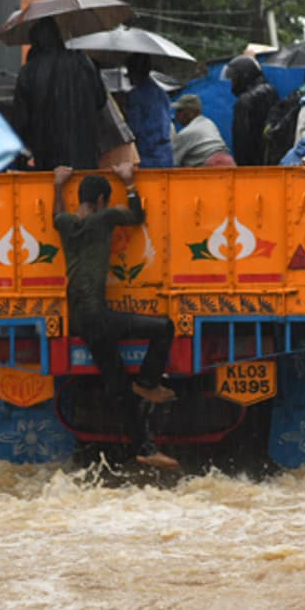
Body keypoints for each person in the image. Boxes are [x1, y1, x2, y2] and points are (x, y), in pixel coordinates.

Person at [53, 163, 180, 469]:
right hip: (98, 317)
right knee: (164, 327)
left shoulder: (67, 224)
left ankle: (144, 448)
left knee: (119, 386)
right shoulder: (104, 219)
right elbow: (137, 216)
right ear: (100, 202)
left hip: (80, 321)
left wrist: (58, 185)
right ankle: (149, 381)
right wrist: (129, 181)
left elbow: (56, 215)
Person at [12, 17, 107, 170]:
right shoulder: (83, 62)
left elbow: (20, 120)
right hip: (85, 153)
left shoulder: (28, 72)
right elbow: (101, 100)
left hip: (47, 160)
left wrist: (23, 155)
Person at [225, 55, 280, 166]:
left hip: (252, 168)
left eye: (234, 79)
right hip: (272, 162)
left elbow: (241, 142)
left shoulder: (245, 101)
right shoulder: (271, 91)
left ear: (244, 76)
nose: (232, 83)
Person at [124, 53, 174, 168]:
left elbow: (133, 129)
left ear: (135, 72)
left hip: (146, 155)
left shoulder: (135, 96)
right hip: (166, 155)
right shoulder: (162, 93)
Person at [171, 94, 235, 167]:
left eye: (179, 110)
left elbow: (173, 163)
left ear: (190, 112)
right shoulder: (209, 123)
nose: (176, 114)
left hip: (211, 167)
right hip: (229, 162)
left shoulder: (186, 133)